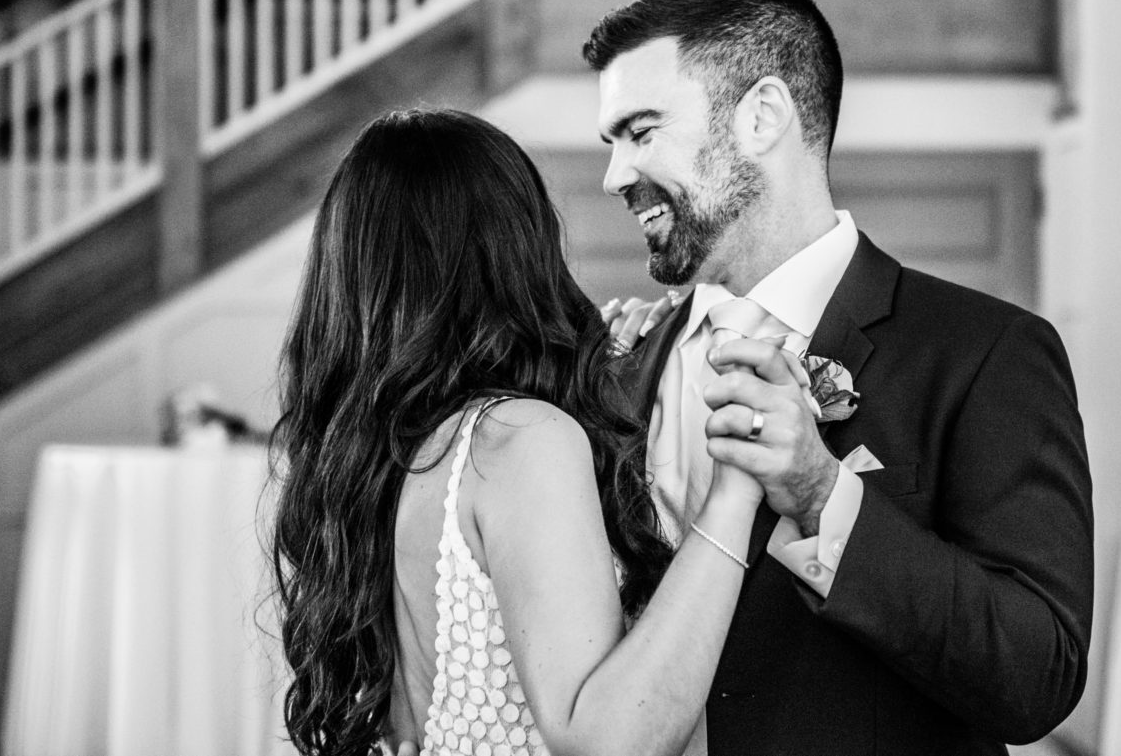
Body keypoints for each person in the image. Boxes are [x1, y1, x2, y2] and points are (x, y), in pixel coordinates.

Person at [584, 0, 1095, 756]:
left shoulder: (983, 353)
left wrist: (825, 494)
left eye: (642, 132)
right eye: (611, 143)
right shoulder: (616, 368)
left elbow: (1037, 675)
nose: (615, 175)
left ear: (762, 116)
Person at [270, 109, 766, 756]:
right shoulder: (518, 439)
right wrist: (735, 490)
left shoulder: (395, 457)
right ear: (515, 247)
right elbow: (611, 740)